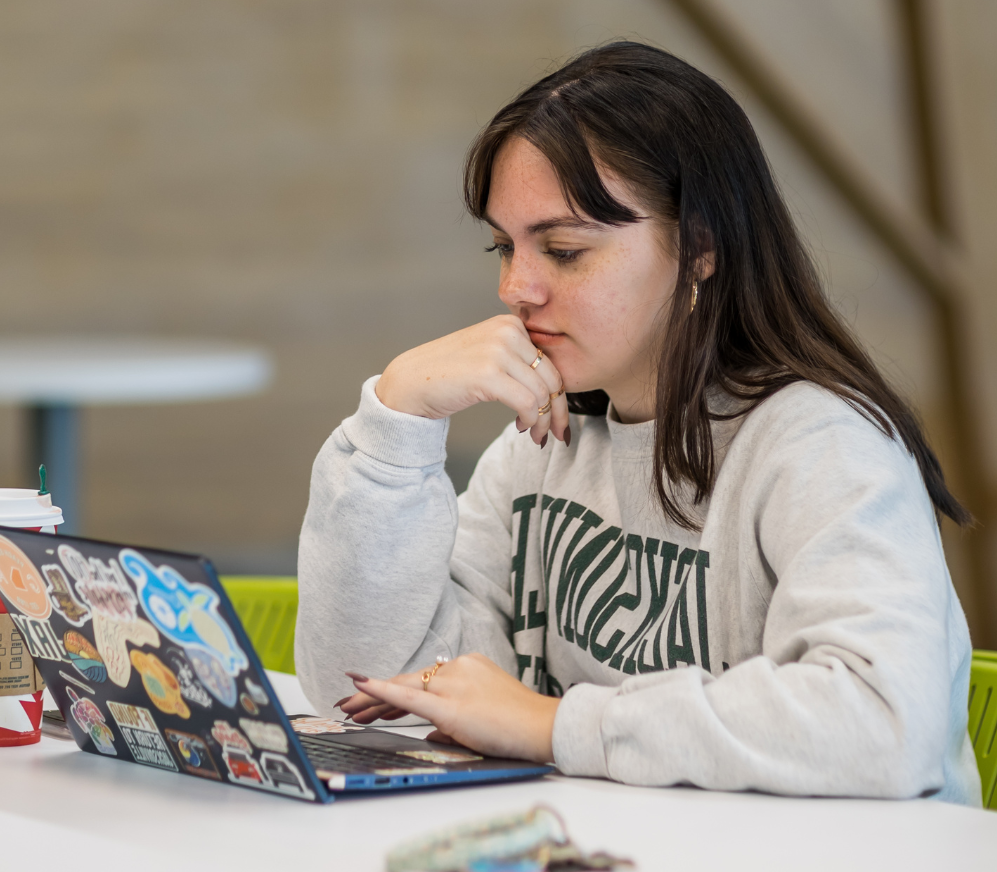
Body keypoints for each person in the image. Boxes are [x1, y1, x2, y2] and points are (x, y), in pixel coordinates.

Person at [295, 42, 981, 804]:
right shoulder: (542, 442)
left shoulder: (822, 446)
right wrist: (396, 420)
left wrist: (555, 726)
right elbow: (366, 693)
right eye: (504, 246)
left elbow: (885, 724)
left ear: (699, 249)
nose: (514, 288)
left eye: (563, 250)